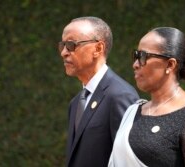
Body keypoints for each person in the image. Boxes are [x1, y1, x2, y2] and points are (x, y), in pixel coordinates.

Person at [108, 27, 185, 167]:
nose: (135, 64)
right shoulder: (133, 111)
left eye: (144, 56)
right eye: (136, 55)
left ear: (170, 64)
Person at [59, 16, 139, 167]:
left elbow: (129, 161)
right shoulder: (75, 103)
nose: (64, 52)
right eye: (62, 45)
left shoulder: (120, 96)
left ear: (98, 49)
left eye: (70, 45)